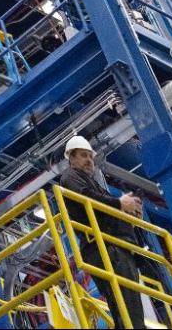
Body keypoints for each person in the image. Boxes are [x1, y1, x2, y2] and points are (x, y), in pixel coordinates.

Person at [55, 136, 149, 327]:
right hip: (106, 247)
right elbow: (87, 198)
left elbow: (101, 205)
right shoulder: (70, 176)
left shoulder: (91, 182)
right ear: (71, 158)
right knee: (126, 306)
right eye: (83, 155)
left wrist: (127, 213)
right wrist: (119, 203)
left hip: (114, 247)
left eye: (90, 156)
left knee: (128, 305)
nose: (89, 160)